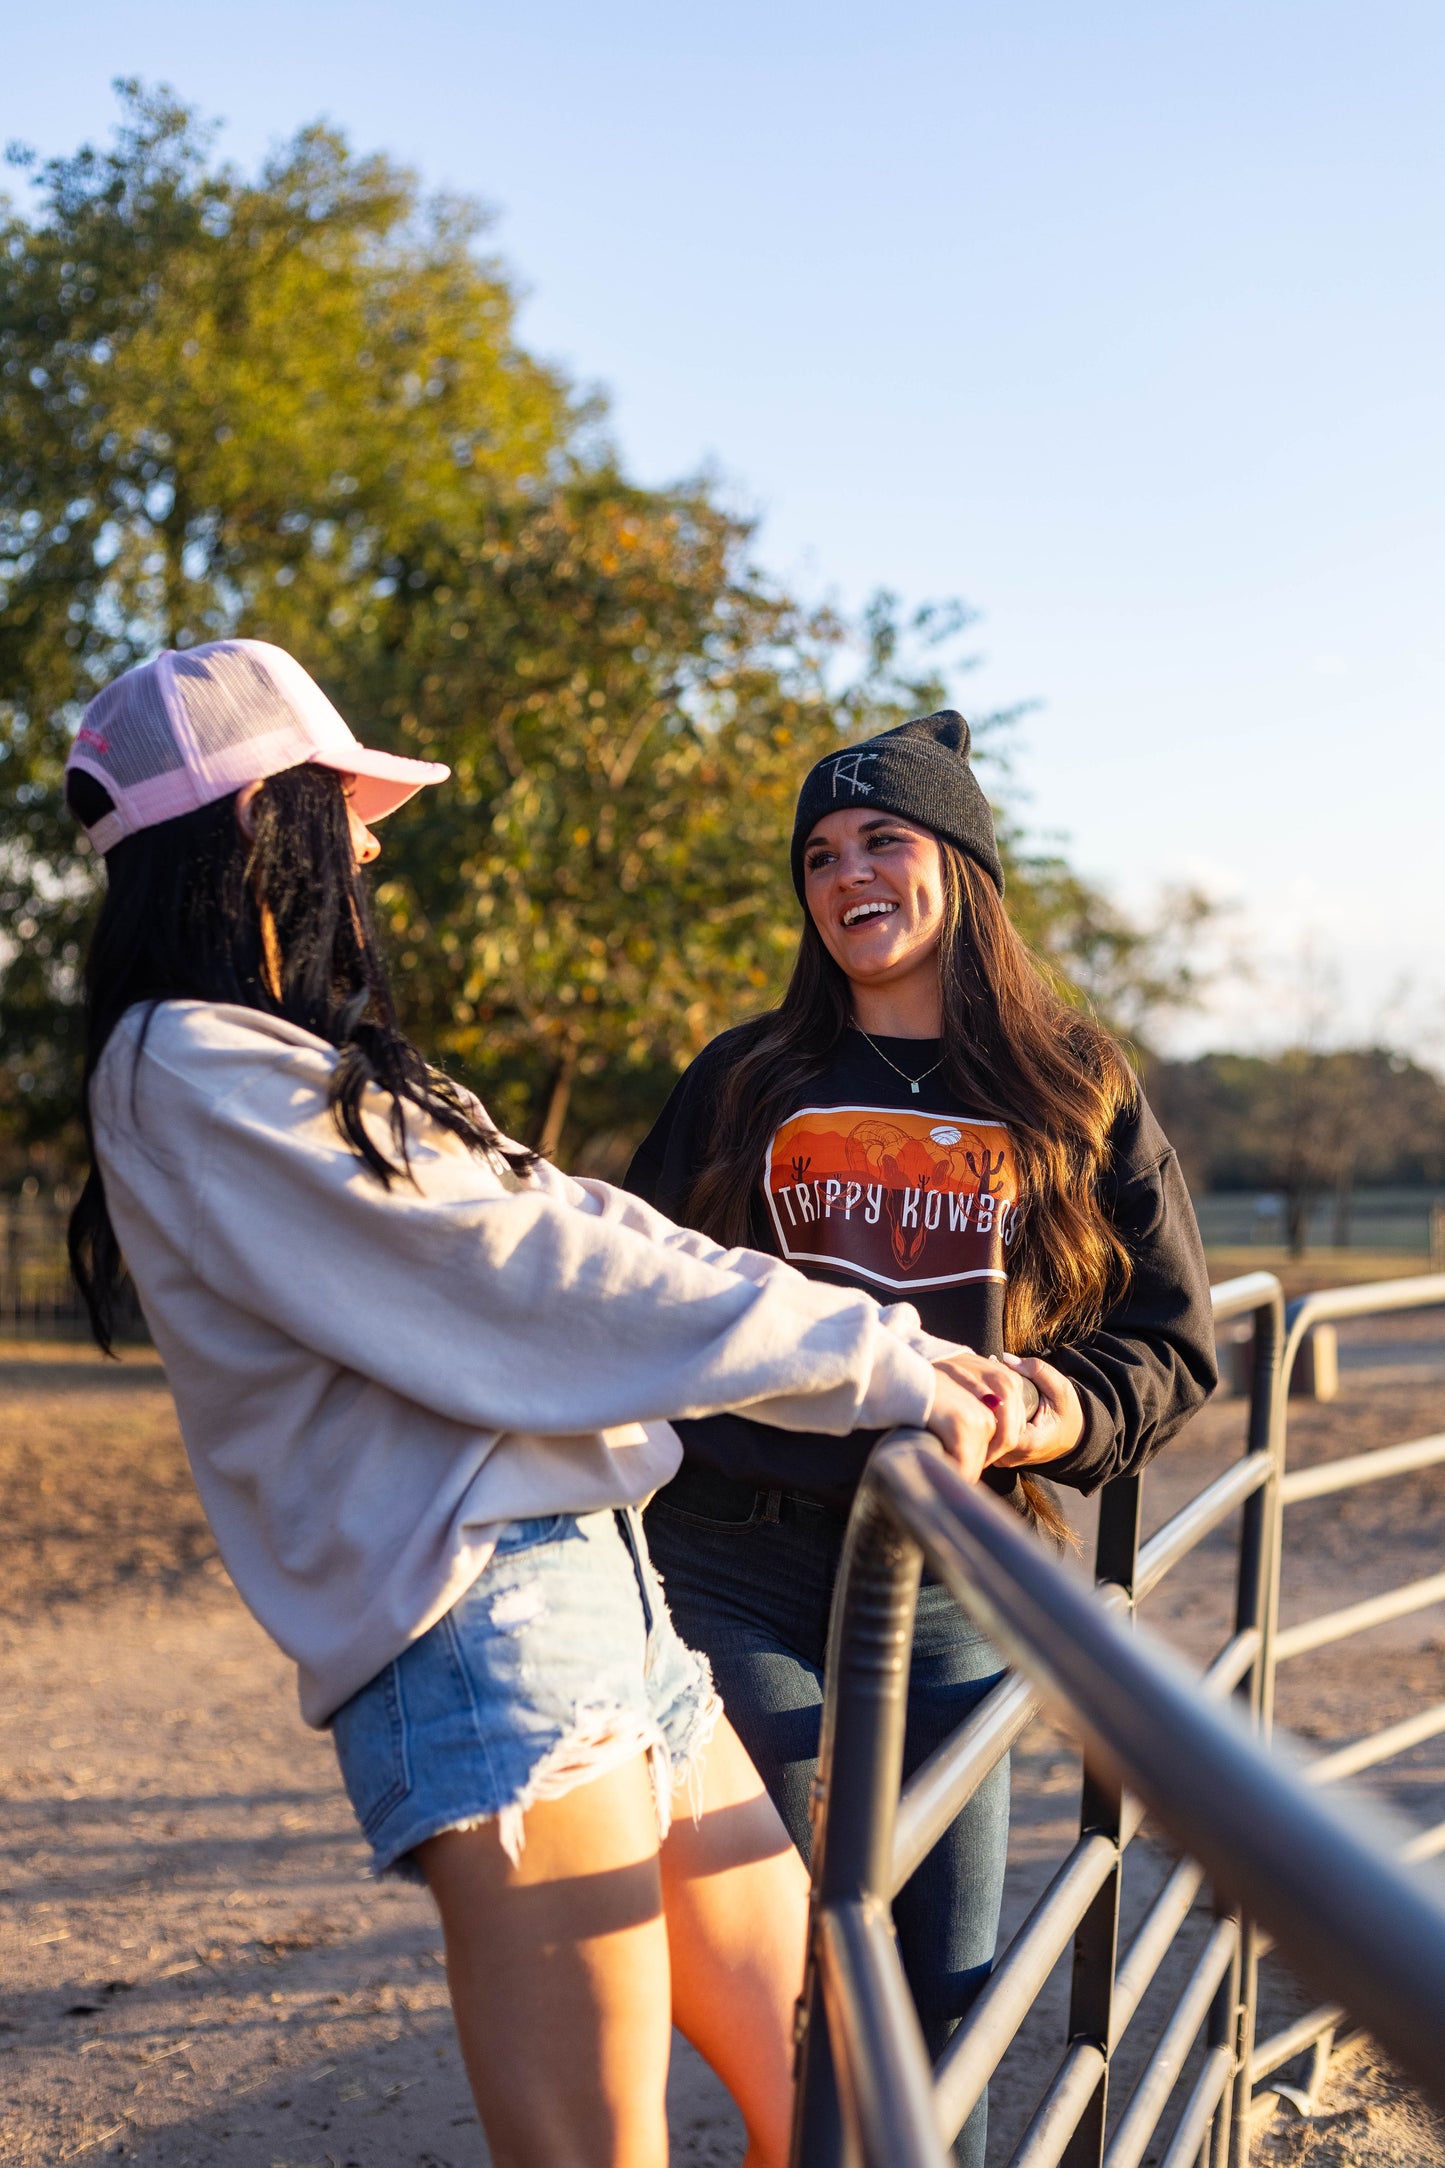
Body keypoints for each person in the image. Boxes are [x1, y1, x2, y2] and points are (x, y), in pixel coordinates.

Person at [62, 642, 1016, 2168]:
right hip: (482, 1628)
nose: (367, 842)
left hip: (610, 1597)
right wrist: (879, 1367)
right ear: (257, 825)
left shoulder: (291, 1058)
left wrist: (885, 1342)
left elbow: (565, 1208)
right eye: (338, 806)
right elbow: (522, 1269)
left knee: (832, 2079)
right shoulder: (188, 1068)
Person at [626, 710, 1218, 2165]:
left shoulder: (1073, 1085)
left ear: (957, 863)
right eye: (817, 856)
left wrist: (1048, 1402)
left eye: (880, 838)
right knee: (812, 1927)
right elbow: (634, 1291)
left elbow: (1171, 1343)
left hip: (959, 1569)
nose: (845, 875)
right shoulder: (742, 1079)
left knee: (940, 1997)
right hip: (734, 1557)